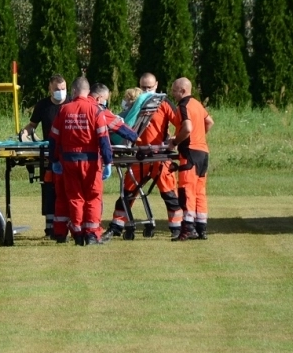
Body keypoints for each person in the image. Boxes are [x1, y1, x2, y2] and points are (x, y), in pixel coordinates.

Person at [103, 73, 184, 240]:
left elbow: (180, 123)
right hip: (138, 156)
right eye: (144, 87)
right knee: (127, 194)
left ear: (156, 86)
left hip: (159, 157)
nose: (147, 91)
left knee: (169, 195)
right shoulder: (137, 104)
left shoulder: (164, 103)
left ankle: (177, 228)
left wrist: (174, 140)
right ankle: (116, 226)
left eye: (150, 87)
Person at [48, 77, 114, 246]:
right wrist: (108, 162)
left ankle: (77, 234)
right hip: (91, 162)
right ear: (88, 92)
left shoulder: (64, 110)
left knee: (74, 197)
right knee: (93, 197)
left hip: (69, 161)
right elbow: (104, 140)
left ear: (73, 91)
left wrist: (54, 160)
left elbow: (53, 139)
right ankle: (91, 234)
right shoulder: (96, 110)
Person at [19, 75, 69, 237]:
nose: (60, 92)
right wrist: (25, 133)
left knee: (68, 189)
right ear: (50, 89)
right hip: (49, 154)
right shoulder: (42, 105)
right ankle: (50, 226)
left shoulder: (71, 104)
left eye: (63, 89)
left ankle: (68, 225)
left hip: (68, 154)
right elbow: (32, 125)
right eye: (57, 89)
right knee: (49, 189)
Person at [169, 77, 213, 241]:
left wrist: (175, 142)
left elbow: (187, 128)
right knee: (200, 191)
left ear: (182, 91)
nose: (173, 94)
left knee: (186, 190)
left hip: (190, 153)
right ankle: (202, 228)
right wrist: (198, 135)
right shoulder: (197, 104)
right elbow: (209, 122)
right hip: (203, 153)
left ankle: (187, 228)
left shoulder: (183, 106)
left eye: (174, 90)